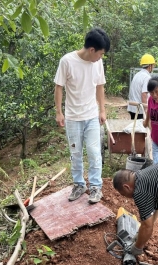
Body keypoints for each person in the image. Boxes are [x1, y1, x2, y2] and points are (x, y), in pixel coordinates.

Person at [54, 28, 111, 204]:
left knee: (94, 152)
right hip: (73, 118)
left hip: (92, 116)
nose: (101, 57)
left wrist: (102, 110)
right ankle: (79, 184)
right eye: (100, 54)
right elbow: (58, 87)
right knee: (75, 153)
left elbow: (100, 86)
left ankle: (95, 187)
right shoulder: (67, 61)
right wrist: (59, 112)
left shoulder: (98, 64)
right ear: (92, 50)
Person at [127, 54, 155, 120]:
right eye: (153, 65)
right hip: (140, 110)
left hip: (133, 107)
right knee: (141, 126)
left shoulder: (137, 74)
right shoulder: (147, 77)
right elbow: (144, 94)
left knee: (135, 125)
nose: (153, 67)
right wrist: (145, 110)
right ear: (150, 66)